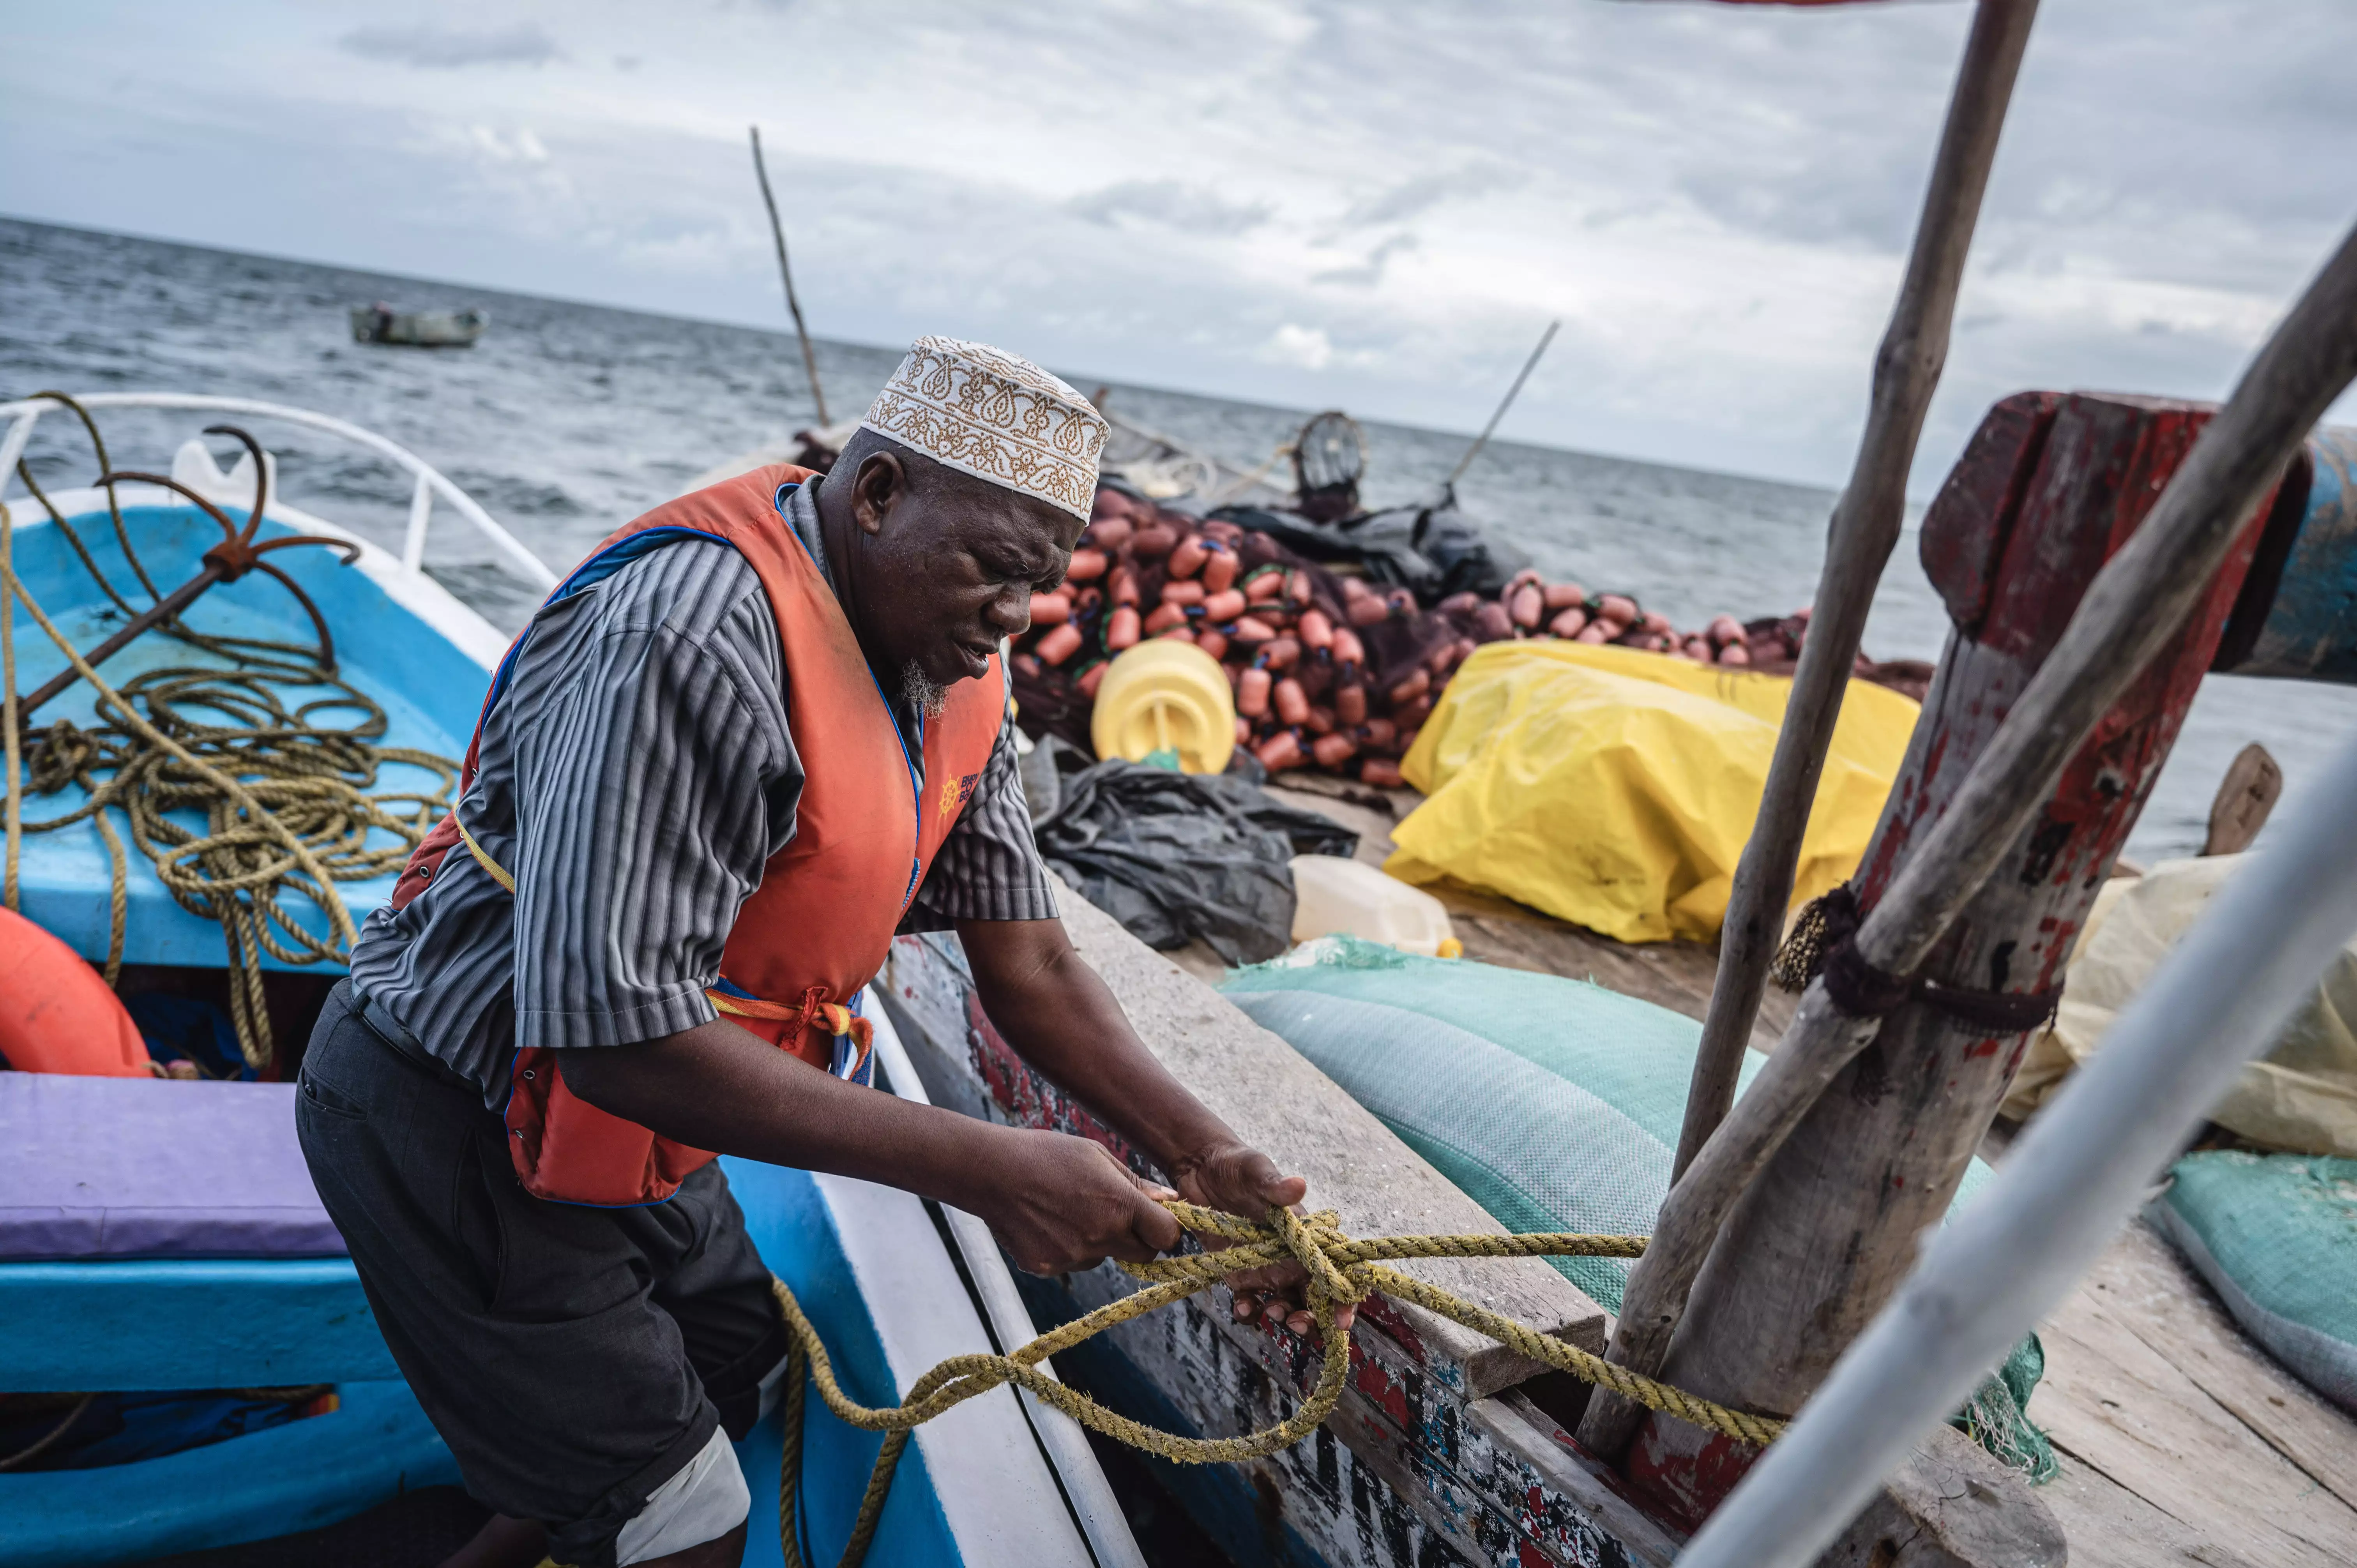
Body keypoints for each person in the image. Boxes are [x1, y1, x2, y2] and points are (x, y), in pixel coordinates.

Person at [296, 338, 1331, 1568]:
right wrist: (995, 1171)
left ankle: (568, 1492)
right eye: (993, 571)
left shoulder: (950, 663)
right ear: (880, 492)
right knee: (687, 1523)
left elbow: (1035, 965)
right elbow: (613, 1034)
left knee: (736, 1356)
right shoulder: (687, 638)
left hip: (645, 1129)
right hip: (457, 1109)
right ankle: (605, 1490)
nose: (1012, 618)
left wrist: (1203, 1149)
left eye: (1039, 586)